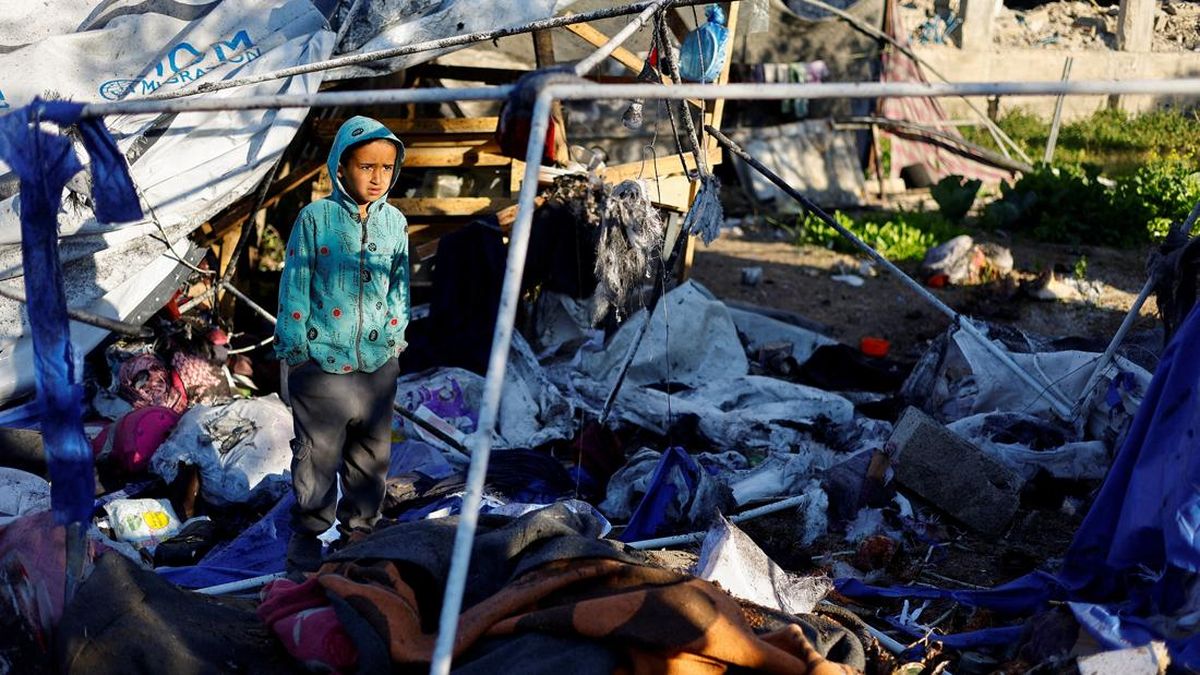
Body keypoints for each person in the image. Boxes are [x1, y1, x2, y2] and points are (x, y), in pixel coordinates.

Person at [273, 116, 409, 573]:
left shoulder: (394, 223)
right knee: (317, 455)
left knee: (372, 454)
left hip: (376, 364)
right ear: (340, 167)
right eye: (366, 166)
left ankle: (360, 532)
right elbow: (296, 284)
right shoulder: (316, 220)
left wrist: (394, 338)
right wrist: (296, 350)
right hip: (322, 362)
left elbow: (399, 287)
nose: (377, 177)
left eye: (386, 168)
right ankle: (308, 538)